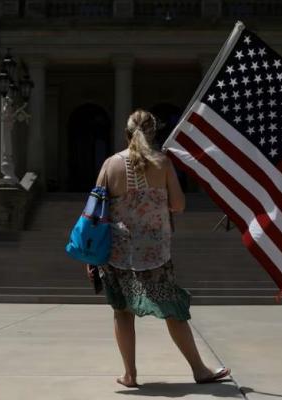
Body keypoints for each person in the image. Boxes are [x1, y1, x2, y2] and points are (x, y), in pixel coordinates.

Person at [86, 109, 231, 388]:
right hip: (154, 253)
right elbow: (179, 205)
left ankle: (130, 374)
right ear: (154, 134)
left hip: (117, 252)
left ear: (126, 133)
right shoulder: (163, 164)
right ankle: (199, 369)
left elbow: (94, 213)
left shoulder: (110, 165)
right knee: (172, 309)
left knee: (122, 311)